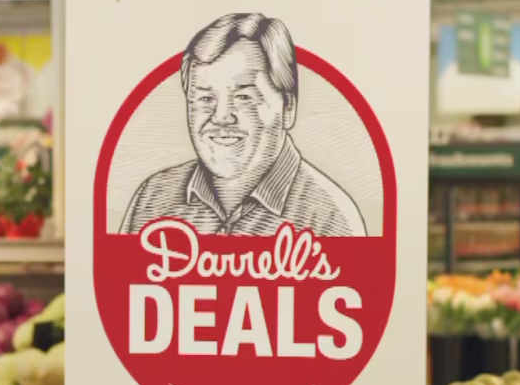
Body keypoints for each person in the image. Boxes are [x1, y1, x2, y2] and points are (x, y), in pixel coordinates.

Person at [121, 12, 367, 238]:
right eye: (206, 98)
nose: (221, 117)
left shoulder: (331, 219)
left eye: (244, 97)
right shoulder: (151, 201)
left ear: (288, 107)